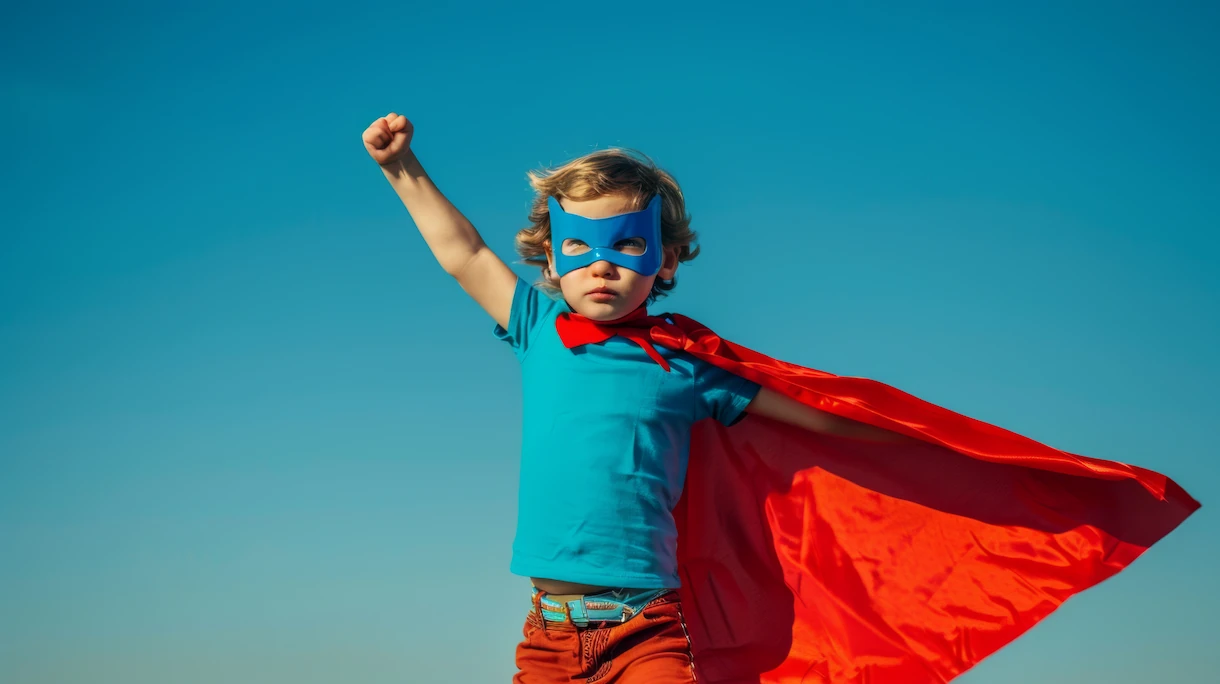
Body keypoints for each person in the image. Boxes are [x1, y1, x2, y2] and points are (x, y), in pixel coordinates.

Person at [362, 112, 1199, 684]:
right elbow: (463, 252)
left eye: (627, 246)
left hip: (644, 632)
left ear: (665, 259)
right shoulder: (538, 327)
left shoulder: (689, 367)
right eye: (580, 247)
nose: (602, 266)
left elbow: (824, 423)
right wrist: (401, 167)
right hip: (546, 631)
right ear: (551, 256)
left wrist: (930, 448)